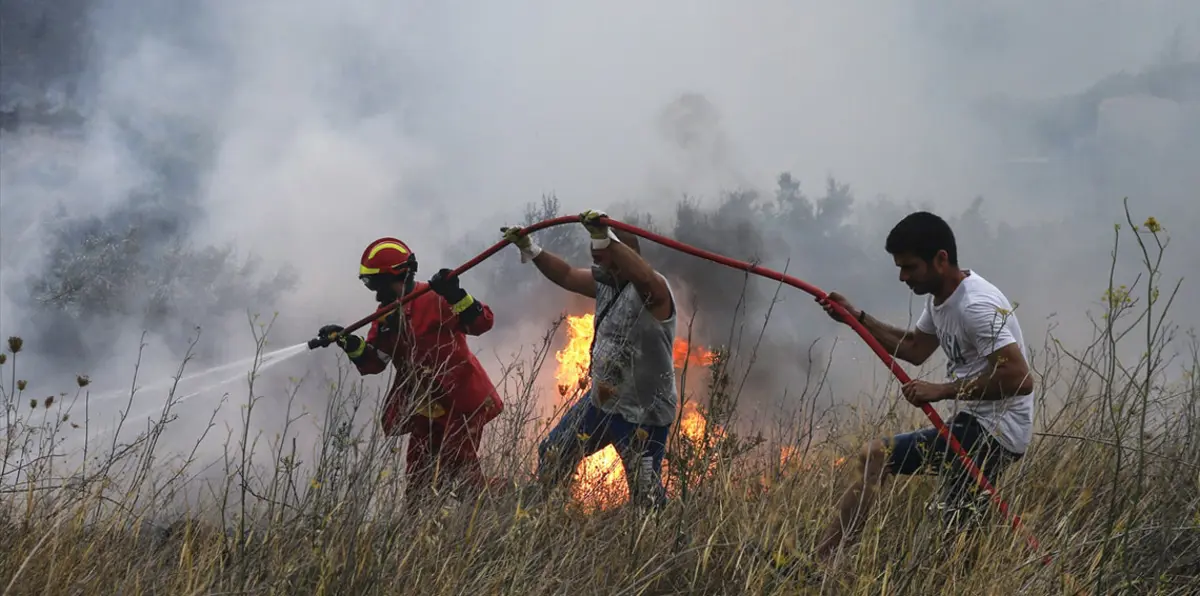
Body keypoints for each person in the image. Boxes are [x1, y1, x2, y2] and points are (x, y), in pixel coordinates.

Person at [813, 211, 1036, 562]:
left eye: (910, 267)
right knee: (882, 461)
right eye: (900, 267)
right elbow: (915, 348)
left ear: (941, 259)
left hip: (996, 433)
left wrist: (944, 390)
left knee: (951, 537)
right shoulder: (941, 300)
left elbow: (1020, 379)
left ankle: (825, 562)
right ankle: (825, 562)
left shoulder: (975, 306)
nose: (903, 277)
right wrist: (856, 318)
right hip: (971, 424)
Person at [500, 210, 678, 511]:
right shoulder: (607, 284)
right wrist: (531, 248)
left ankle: (662, 544)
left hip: (642, 413)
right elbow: (567, 275)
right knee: (554, 451)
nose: (597, 267)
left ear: (623, 257)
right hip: (602, 402)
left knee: (646, 494)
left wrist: (605, 238)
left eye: (603, 258)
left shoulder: (654, 291)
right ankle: (547, 517)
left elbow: (644, 275)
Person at [313, 236, 503, 501]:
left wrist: (456, 294)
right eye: (371, 286)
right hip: (424, 409)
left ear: (401, 275)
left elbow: (482, 324)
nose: (377, 295)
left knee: (462, 478)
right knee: (418, 484)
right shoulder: (386, 315)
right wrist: (348, 342)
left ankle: (516, 500)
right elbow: (375, 362)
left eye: (379, 285)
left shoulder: (437, 298)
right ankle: (418, 532)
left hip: (461, 405)